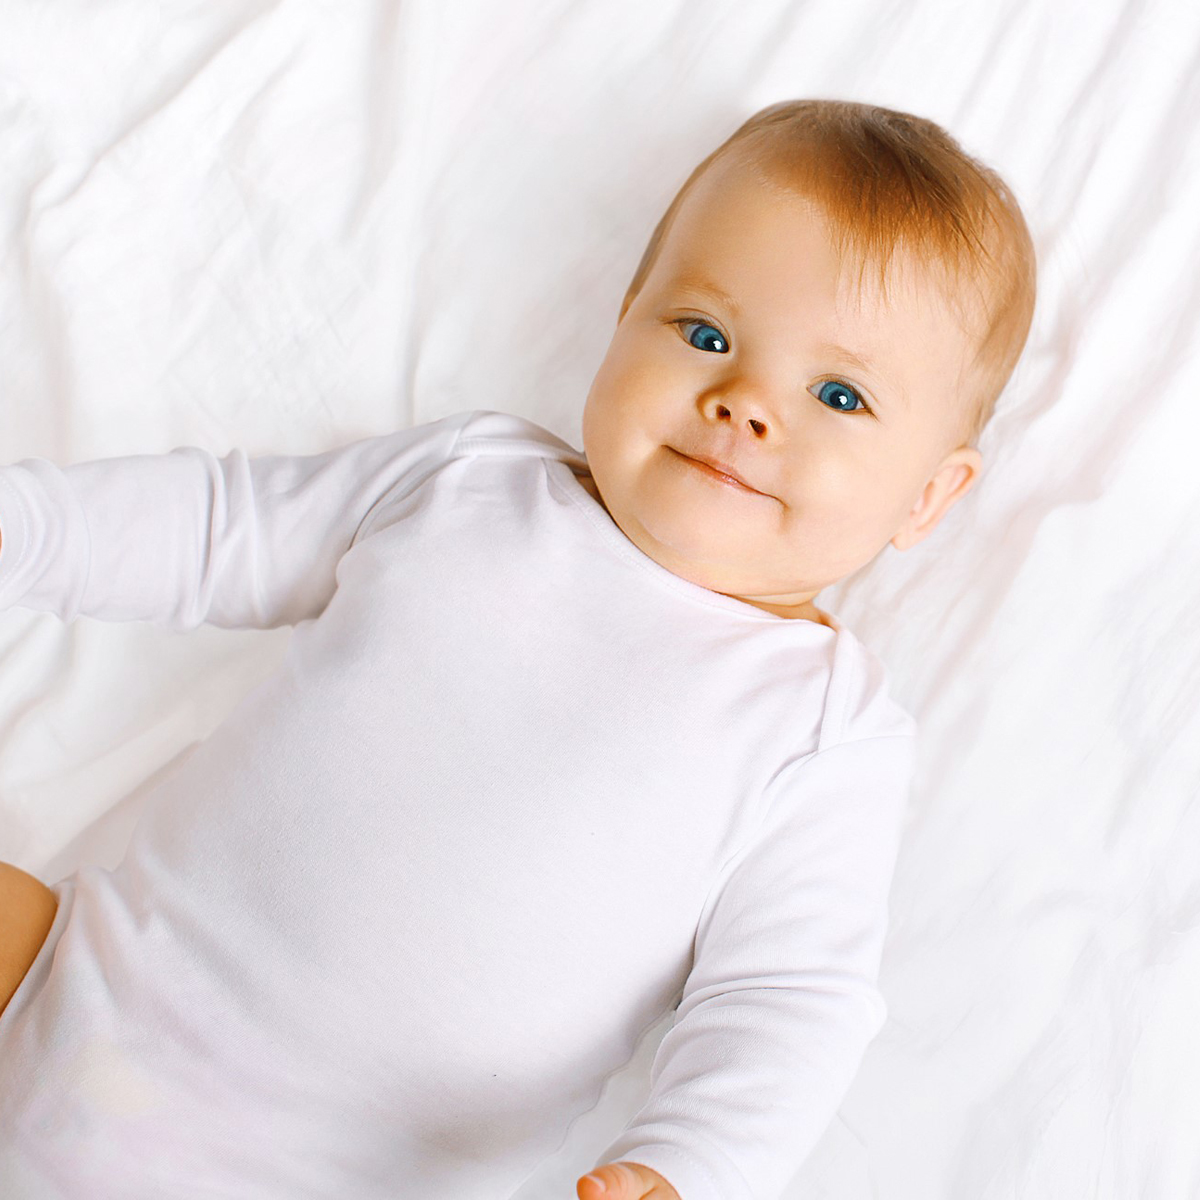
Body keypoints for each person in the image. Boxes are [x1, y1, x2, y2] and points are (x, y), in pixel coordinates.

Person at [0, 98, 1036, 1200]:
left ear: (928, 496)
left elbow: (787, 1002)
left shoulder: (822, 732)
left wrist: (686, 1170)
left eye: (838, 395)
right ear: (625, 318)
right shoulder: (470, 484)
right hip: (74, 993)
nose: (744, 405)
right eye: (705, 334)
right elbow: (216, 530)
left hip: (349, 1173)